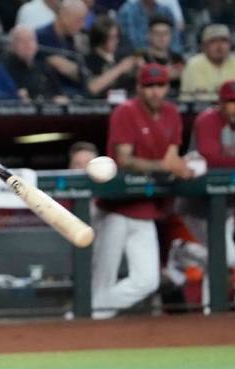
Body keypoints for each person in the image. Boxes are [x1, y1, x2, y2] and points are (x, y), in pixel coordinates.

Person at [91, 64, 193, 319]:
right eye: (149, 86)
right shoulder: (125, 112)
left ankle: (89, 310)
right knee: (103, 278)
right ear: (139, 87)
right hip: (115, 207)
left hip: (146, 209)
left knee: (148, 280)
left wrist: (180, 167)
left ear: (168, 87)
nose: (155, 92)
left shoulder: (172, 113)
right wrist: (166, 166)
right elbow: (125, 159)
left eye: (160, 86)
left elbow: (172, 156)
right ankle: (91, 319)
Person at [176, 80, 235, 270]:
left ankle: (210, 298)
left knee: (222, 264)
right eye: (232, 102)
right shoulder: (206, 120)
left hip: (227, 205)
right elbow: (210, 160)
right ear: (220, 103)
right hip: (197, 206)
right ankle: (182, 251)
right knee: (227, 260)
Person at [180, 24, 235, 101]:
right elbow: (202, 99)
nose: (220, 46)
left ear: (230, 44)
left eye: (224, 41)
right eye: (213, 41)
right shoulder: (194, 64)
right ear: (203, 46)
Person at [36, 0, 88, 97]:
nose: (82, 25)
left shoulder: (73, 39)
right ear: (64, 16)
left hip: (77, 94)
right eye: (79, 20)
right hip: (53, 95)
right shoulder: (41, 36)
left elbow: (84, 73)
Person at [85, 15, 138, 98]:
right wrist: (120, 68)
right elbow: (92, 88)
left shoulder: (120, 56)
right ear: (100, 38)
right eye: (112, 37)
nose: (116, 41)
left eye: (117, 37)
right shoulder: (89, 60)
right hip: (99, 106)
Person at [142, 16, 183, 95]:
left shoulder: (177, 58)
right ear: (149, 36)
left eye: (166, 33)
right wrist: (167, 73)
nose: (162, 37)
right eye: (157, 33)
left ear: (171, 36)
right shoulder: (142, 57)